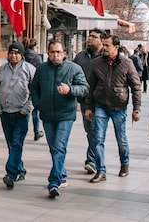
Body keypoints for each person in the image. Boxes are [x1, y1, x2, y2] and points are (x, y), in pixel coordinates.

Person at [29, 40, 89, 199]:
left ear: (64, 54)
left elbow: (84, 88)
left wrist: (70, 90)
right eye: (52, 52)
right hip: (47, 113)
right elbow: (34, 87)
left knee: (59, 146)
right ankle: (61, 174)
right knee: (54, 147)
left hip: (65, 114)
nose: (55, 55)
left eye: (58, 52)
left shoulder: (74, 69)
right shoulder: (41, 69)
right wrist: (38, 103)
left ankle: (54, 182)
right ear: (47, 53)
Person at [84, 34, 142, 182]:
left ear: (116, 47)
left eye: (107, 45)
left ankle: (124, 163)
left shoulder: (126, 63)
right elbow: (90, 86)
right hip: (100, 105)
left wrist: (137, 108)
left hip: (119, 106)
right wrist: (88, 107)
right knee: (97, 138)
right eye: (103, 45)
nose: (104, 48)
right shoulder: (97, 63)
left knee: (121, 138)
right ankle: (101, 170)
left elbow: (136, 86)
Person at [0, 41, 36, 189]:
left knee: (17, 143)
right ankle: (20, 169)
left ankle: (11, 174)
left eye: (16, 53)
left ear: (21, 55)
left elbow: (35, 91)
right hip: (5, 112)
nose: (13, 56)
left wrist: (27, 107)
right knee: (11, 144)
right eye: (11, 53)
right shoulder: (2, 69)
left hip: (21, 112)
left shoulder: (29, 69)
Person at [73, 29, 105, 174]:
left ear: (102, 40)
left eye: (94, 37)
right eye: (90, 36)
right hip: (85, 100)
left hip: (101, 101)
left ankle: (92, 160)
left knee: (95, 131)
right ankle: (96, 160)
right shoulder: (81, 57)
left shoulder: (106, 57)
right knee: (90, 131)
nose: (90, 38)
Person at [23, 37, 45, 140]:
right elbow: (40, 72)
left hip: (23, 84)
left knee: (25, 109)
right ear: (35, 46)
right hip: (34, 85)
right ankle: (36, 131)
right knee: (35, 110)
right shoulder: (37, 58)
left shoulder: (22, 55)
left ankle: (23, 130)